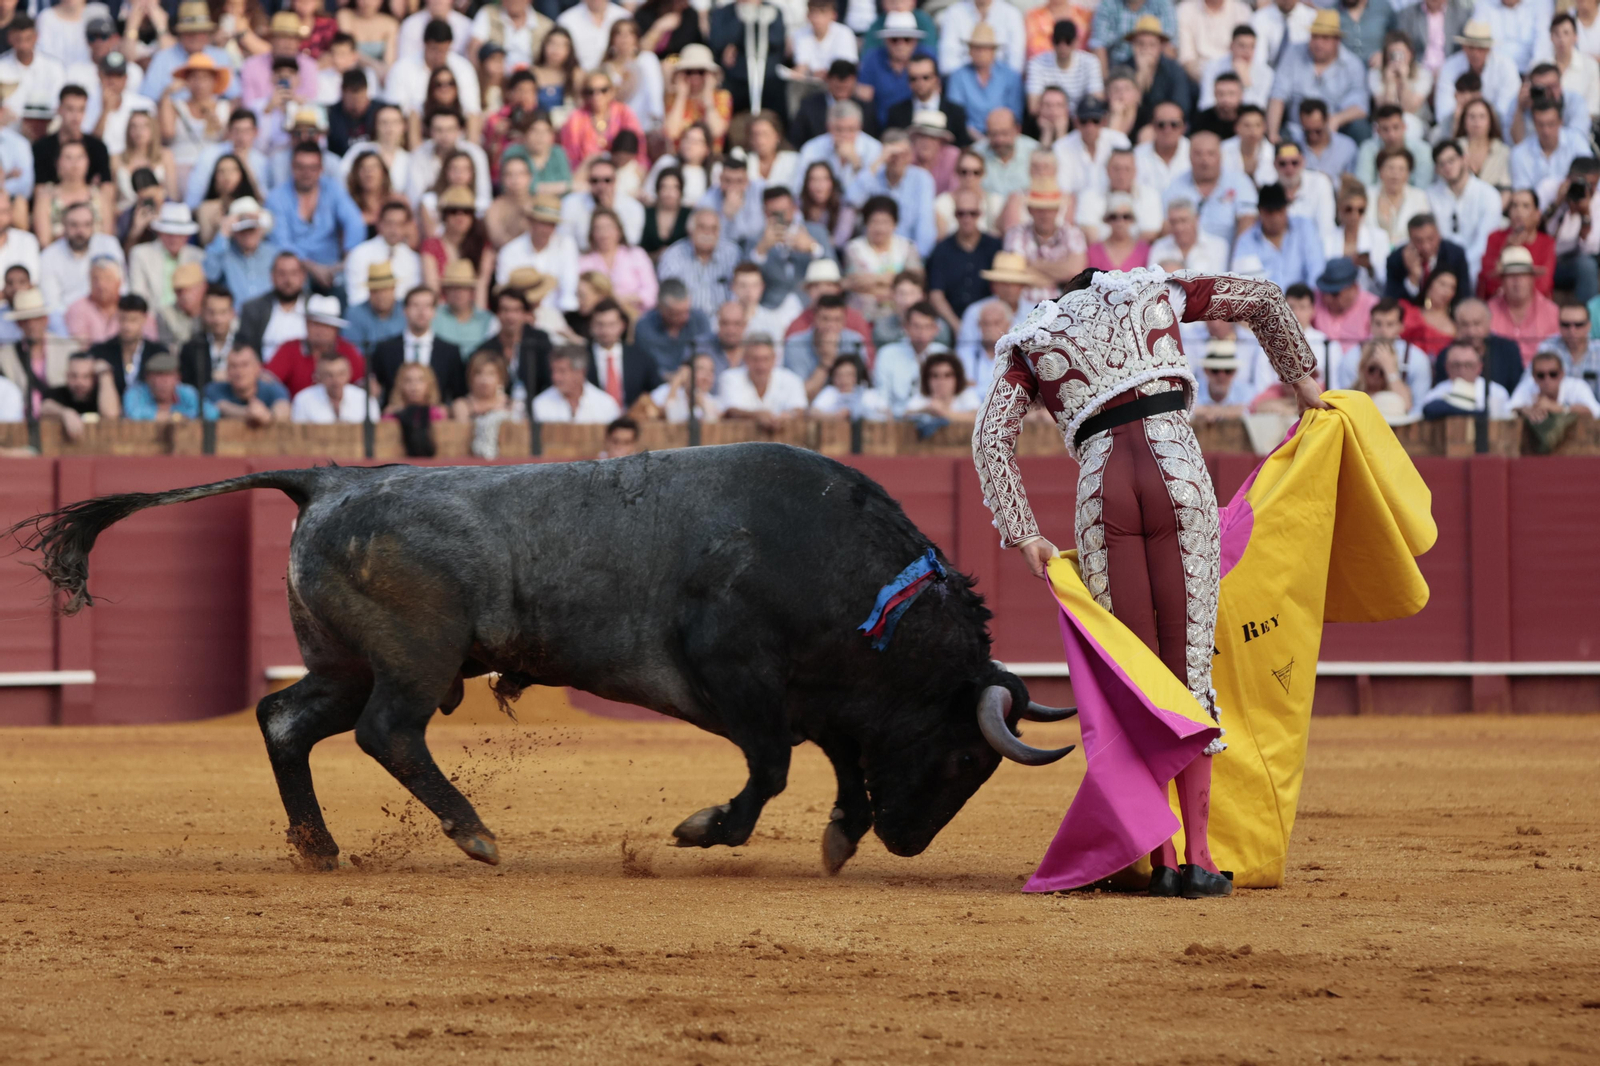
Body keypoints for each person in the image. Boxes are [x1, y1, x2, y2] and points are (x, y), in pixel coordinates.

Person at [974, 266, 1327, 899]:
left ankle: (1161, 860)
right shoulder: (1153, 289)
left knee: (1140, 676)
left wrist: (1023, 532)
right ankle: (1201, 858)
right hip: (1176, 472)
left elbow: (988, 438)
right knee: (1188, 667)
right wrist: (1303, 383)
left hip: (1102, 488)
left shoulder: (1034, 338)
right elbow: (1263, 297)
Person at [1268, 10, 1370, 145]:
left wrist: (1337, 119)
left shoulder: (1352, 64)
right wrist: (1273, 134)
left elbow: (1360, 106)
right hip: (1296, 130)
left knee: (1360, 127)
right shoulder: (1293, 53)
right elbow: (1278, 95)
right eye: (1315, 37)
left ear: (1337, 40)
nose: (1318, 43)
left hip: (1335, 132)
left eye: (1325, 38)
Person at [370, 287, 465, 407]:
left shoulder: (450, 352)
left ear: (434, 311)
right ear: (405, 310)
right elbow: (375, 388)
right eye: (415, 305)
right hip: (395, 416)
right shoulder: (385, 349)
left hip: (436, 416)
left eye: (427, 306)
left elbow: (458, 394)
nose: (421, 312)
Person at [928, 189, 1003, 336]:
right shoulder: (942, 249)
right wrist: (957, 326)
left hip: (989, 320)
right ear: (955, 215)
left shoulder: (995, 246)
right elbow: (936, 295)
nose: (967, 218)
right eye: (961, 213)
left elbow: (1003, 290)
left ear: (980, 214)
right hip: (951, 321)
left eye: (972, 213)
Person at [1165, 131, 1256, 248]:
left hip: (1229, 252)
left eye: (1210, 153)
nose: (1204, 160)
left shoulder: (1240, 182)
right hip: (1188, 253)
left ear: (1220, 156)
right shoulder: (1176, 186)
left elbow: (1248, 221)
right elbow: (1166, 226)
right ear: (1189, 157)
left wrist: (1237, 256)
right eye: (1198, 154)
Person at [265, 293, 365, 396]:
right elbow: (268, 380)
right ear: (306, 324)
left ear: (335, 329)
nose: (320, 331)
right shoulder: (289, 348)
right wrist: (281, 399)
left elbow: (363, 382)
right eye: (315, 324)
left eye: (326, 326)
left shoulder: (347, 349)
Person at [1234, 182, 1325, 292]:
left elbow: (1316, 272)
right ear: (1260, 211)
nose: (1275, 218)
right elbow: (1244, 286)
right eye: (1270, 212)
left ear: (1286, 208)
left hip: (1304, 299)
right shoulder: (1246, 241)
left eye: (1279, 210)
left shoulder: (1304, 228)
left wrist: (1307, 300)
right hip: (1264, 302)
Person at [657, 208, 740, 319]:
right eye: (702, 227)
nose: (708, 233)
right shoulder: (673, 255)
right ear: (690, 230)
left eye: (714, 229)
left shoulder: (733, 253)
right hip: (686, 321)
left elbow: (742, 292)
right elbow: (669, 296)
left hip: (726, 321)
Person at [1486, 246, 1559, 363]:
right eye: (1511, 276)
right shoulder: (1488, 311)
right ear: (1501, 281)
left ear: (1532, 279)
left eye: (1523, 275)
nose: (1517, 281)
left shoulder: (1552, 313)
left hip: (1540, 372)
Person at [718, 332, 807, 426]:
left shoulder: (791, 379)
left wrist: (788, 416)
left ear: (774, 358)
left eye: (765, 359)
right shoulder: (730, 378)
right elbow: (731, 411)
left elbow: (799, 410)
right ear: (745, 359)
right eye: (755, 359)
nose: (761, 366)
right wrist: (758, 416)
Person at [585, 297, 661, 407]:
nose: (605, 331)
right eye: (600, 324)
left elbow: (656, 392)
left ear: (622, 325)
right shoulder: (581, 357)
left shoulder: (641, 358)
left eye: (611, 324)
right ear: (591, 325)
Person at [634, 278, 712, 378]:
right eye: (676, 314)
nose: (685, 317)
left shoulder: (699, 320)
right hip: (656, 383)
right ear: (660, 308)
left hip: (694, 380)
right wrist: (671, 379)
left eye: (687, 311)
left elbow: (706, 357)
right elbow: (644, 366)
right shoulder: (644, 327)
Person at [888, 55, 971, 149]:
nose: (920, 83)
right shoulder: (896, 113)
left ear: (937, 79)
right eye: (913, 79)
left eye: (925, 77)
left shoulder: (955, 112)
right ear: (908, 82)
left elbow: (962, 147)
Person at [1420, 340, 1512, 419]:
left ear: (1479, 367)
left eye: (1468, 365)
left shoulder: (1496, 392)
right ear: (1447, 367)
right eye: (1456, 365)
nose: (1462, 371)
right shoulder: (1437, 393)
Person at [533, 344, 623, 423]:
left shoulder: (605, 404)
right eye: (553, 371)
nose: (555, 377)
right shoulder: (540, 404)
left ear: (580, 372)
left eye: (562, 371)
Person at [39, 351, 119, 439]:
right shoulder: (57, 393)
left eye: (86, 376)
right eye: (74, 376)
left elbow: (111, 415)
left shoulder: (100, 396)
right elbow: (45, 407)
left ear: (94, 378)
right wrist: (65, 413)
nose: (79, 382)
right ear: (67, 375)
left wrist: (105, 374)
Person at [204, 345, 291, 424]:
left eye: (244, 365)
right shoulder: (215, 389)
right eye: (233, 366)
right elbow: (221, 407)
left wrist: (268, 416)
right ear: (227, 371)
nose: (239, 371)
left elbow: (283, 408)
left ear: (258, 368)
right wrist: (250, 413)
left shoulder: (273, 388)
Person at [178, 284, 241, 388]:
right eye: (211, 313)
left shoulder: (245, 344)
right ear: (202, 313)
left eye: (223, 312)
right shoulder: (191, 348)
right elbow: (187, 386)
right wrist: (211, 377)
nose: (217, 319)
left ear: (232, 313)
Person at [291, 350, 379, 423]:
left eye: (341, 374)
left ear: (349, 374)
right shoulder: (303, 400)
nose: (336, 380)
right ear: (318, 376)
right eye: (329, 375)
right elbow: (299, 435)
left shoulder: (366, 400)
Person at [432, 259, 498, 355]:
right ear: (445, 291)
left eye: (463, 288)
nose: (458, 293)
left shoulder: (488, 320)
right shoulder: (434, 316)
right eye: (453, 288)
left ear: (472, 292)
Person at [1510, 348, 1600, 419]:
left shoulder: (1577, 387)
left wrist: (1561, 409)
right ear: (1534, 376)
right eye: (1541, 375)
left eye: (1553, 374)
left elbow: (1595, 412)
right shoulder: (1528, 386)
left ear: (1562, 374)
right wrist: (1524, 410)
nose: (1547, 379)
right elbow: (1508, 409)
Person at [122, 351, 199, 421]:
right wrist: (174, 417)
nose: (163, 382)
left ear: (178, 378)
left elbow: (203, 413)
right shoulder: (135, 393)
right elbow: (133, 413)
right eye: (158, 375)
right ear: (148, 378)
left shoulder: (188, 394)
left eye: (168, 375)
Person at [157, 262, 208, 350]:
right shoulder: (166, 315)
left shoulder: (213, 311)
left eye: (189, 289)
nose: (184, 295)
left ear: (203, 288)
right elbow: (167, 349)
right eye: (179, 291)